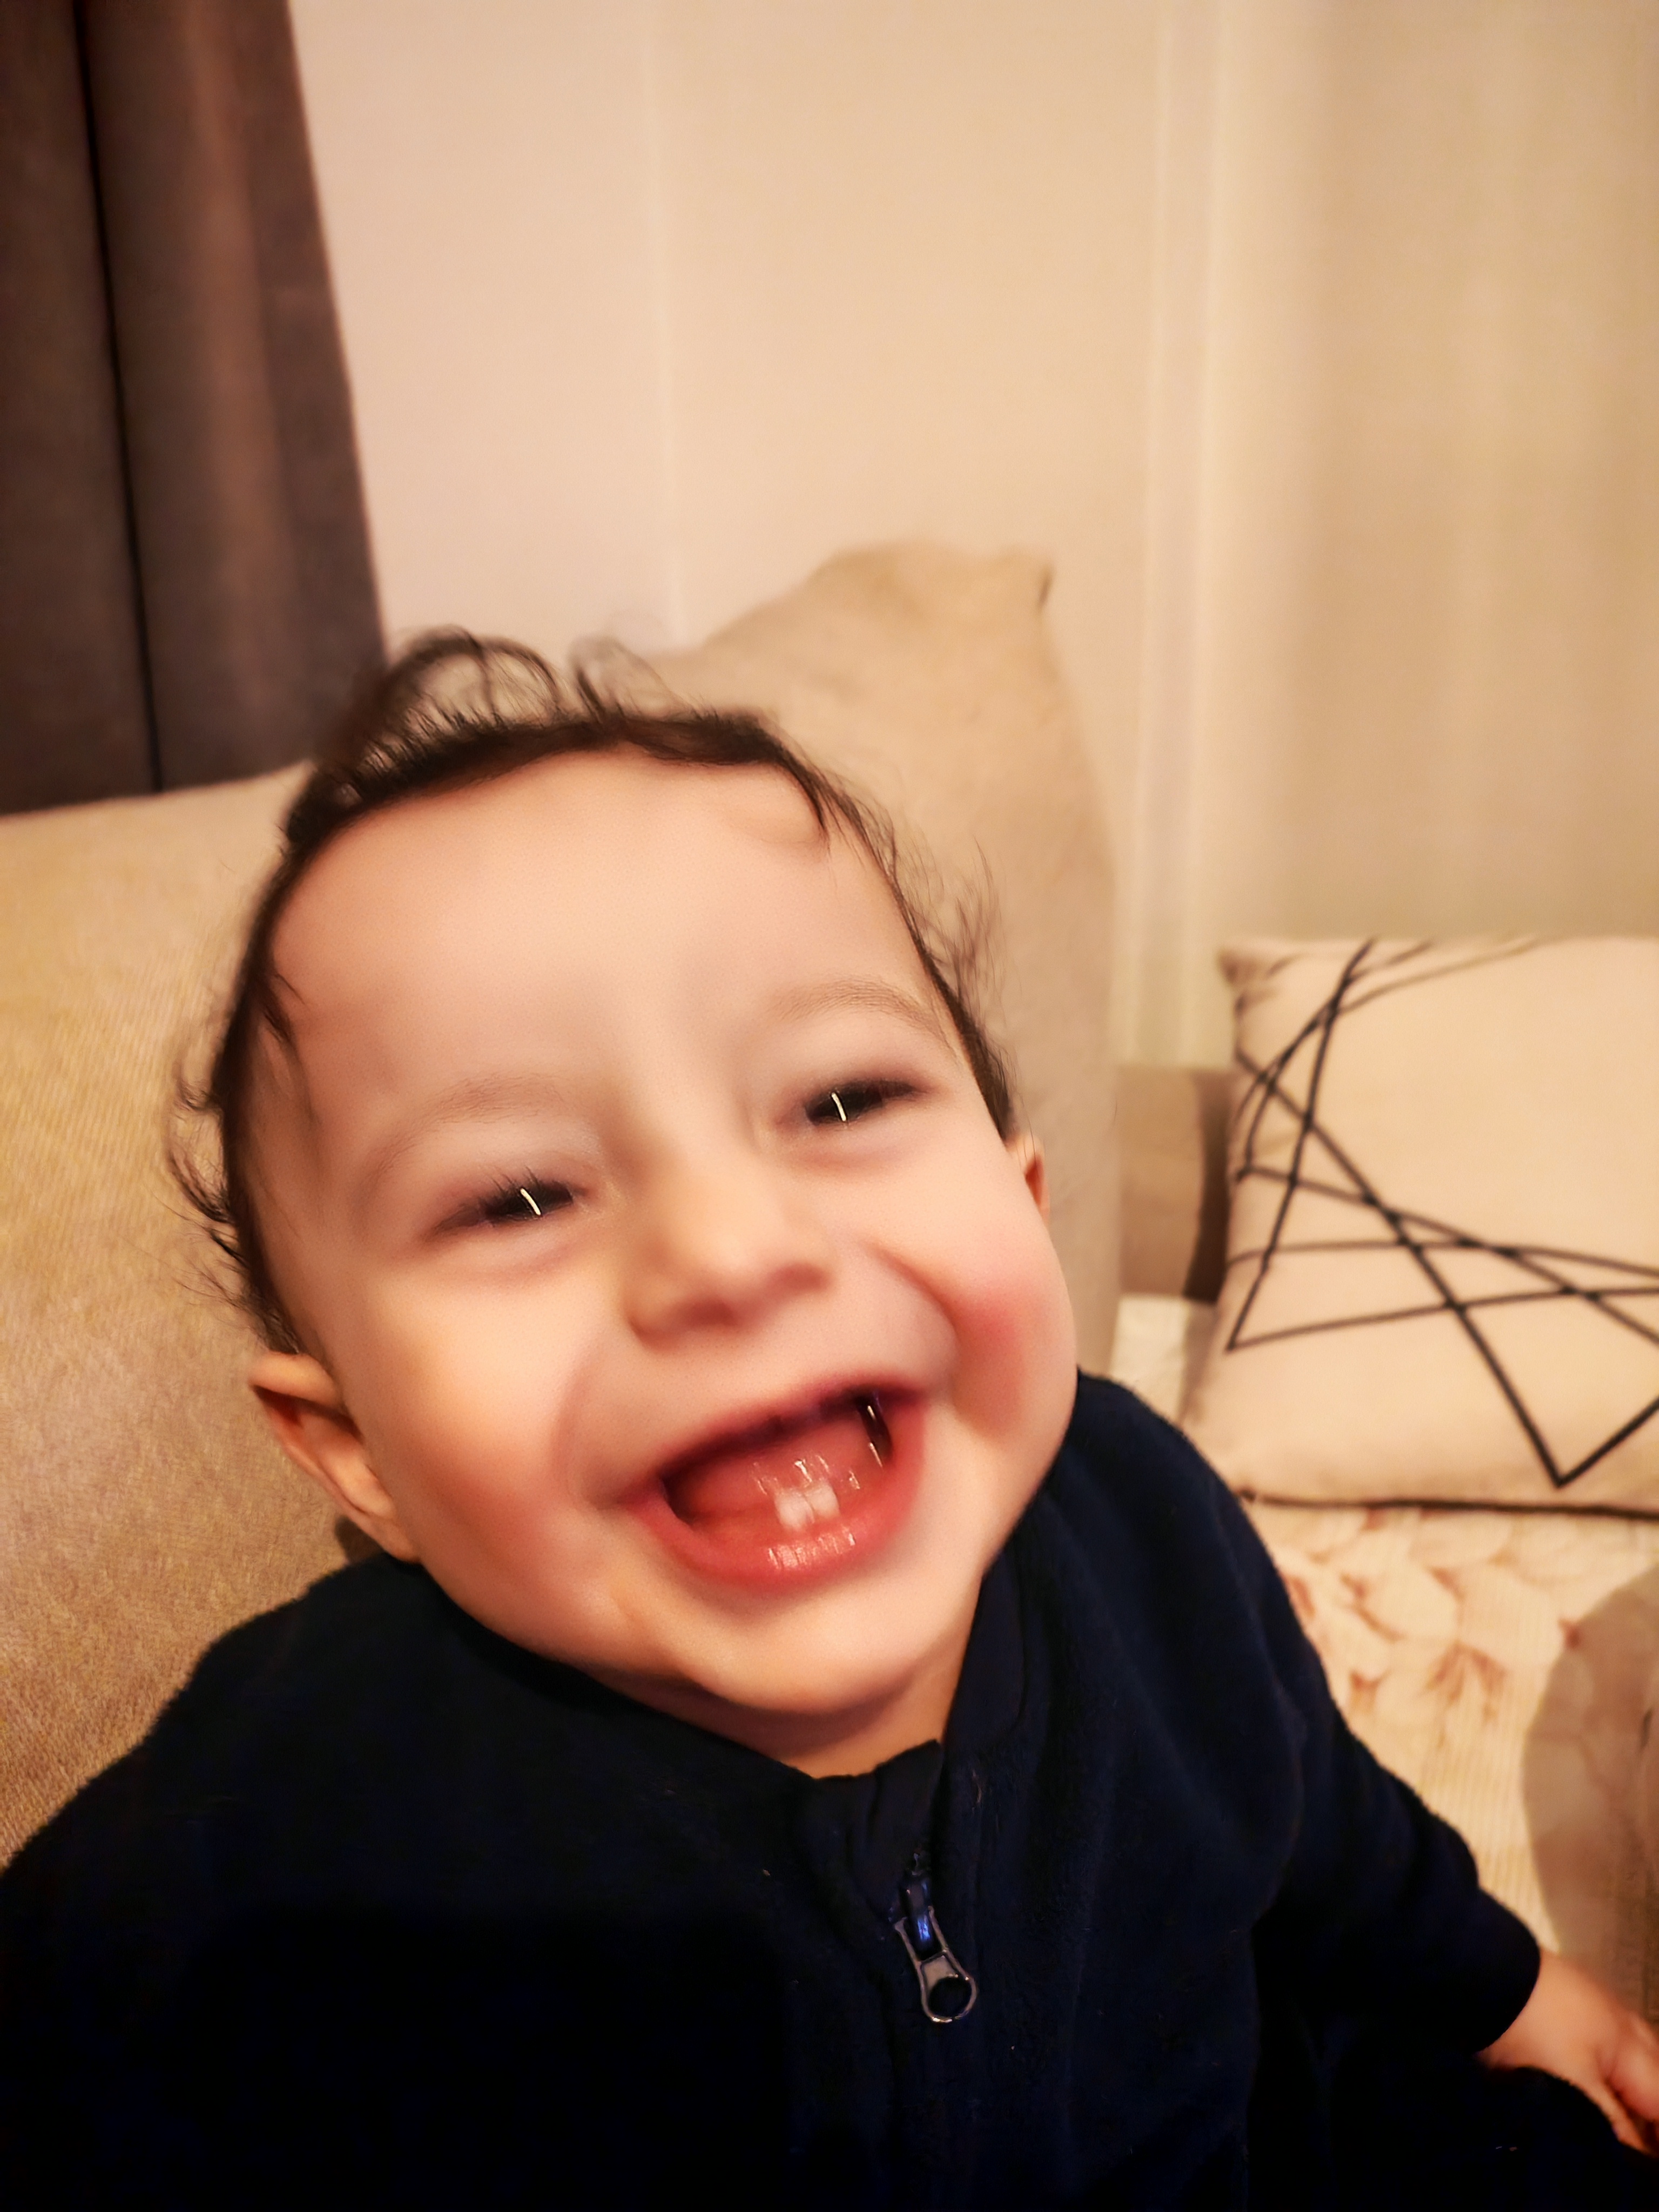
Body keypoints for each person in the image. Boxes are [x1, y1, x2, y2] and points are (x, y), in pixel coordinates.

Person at [2, 633, 1657, 2211]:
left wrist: (1507, 1987)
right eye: (517, 1197)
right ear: (356, 1451)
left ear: (1024, 1207)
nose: (734, 1250)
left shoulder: (1138, 1511)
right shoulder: (282, 1818)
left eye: (843, 1099)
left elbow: (1318, 1815)